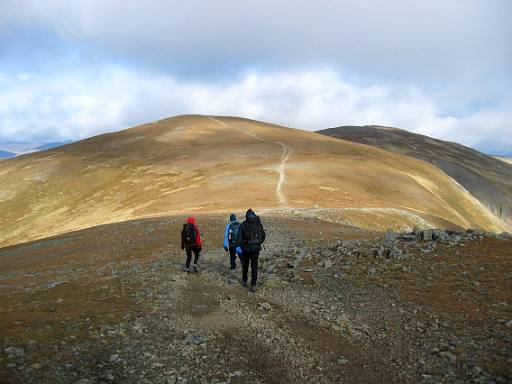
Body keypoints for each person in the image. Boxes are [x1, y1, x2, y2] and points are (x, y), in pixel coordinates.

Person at [237, 209, 266, 292]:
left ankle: (244, 280)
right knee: (254, 267)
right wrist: (258, 243)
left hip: (246, 249)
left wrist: (239, 247)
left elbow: (239, 238)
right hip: (256, 249)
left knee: (245, 265)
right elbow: (263, 236)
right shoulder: (258, 224)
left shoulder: (243, 225)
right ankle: (253, 285)